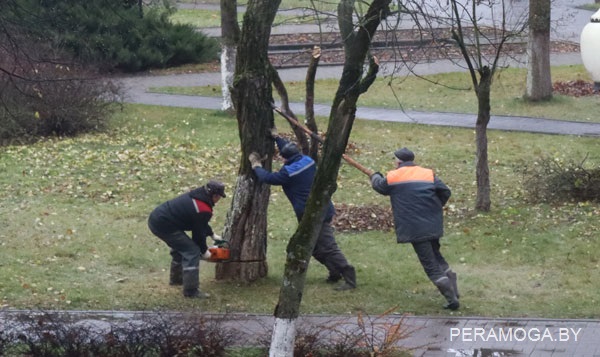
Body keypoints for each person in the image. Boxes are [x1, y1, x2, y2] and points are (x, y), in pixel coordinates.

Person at [248, 129, 357, 291]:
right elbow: (289, 148)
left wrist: (256, 165)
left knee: (327, 247)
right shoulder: (308, 160)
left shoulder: (288, 173)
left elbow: (267, 178)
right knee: (311, 247)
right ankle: (335, 272)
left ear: (284, 159)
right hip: (322, 208)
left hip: (314, 214)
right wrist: (277, 137)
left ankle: (349, 276)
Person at [370, 147, 459, 310]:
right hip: (433, 223)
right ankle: (454, 288)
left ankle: (452, 299)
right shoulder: (426, 173)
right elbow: (445, 191)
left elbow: (379, 187)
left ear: (398, 161)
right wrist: (435, 207)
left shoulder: (394, 176)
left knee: (430, 264)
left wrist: (375, 176)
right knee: (437, 256)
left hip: (414, 227)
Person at [148, 180, 226, 298]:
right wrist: (205, 252)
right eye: (219, 197)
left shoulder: (197, 196)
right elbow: (198, 234)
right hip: (164, 225)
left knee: (180, 247)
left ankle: (177, 279)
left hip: (157, 218)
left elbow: (199, 222)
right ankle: (191, 291)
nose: (219, 200)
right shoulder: (203, 208)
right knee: (192, 251)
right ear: (215, 196)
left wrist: (212, 235)